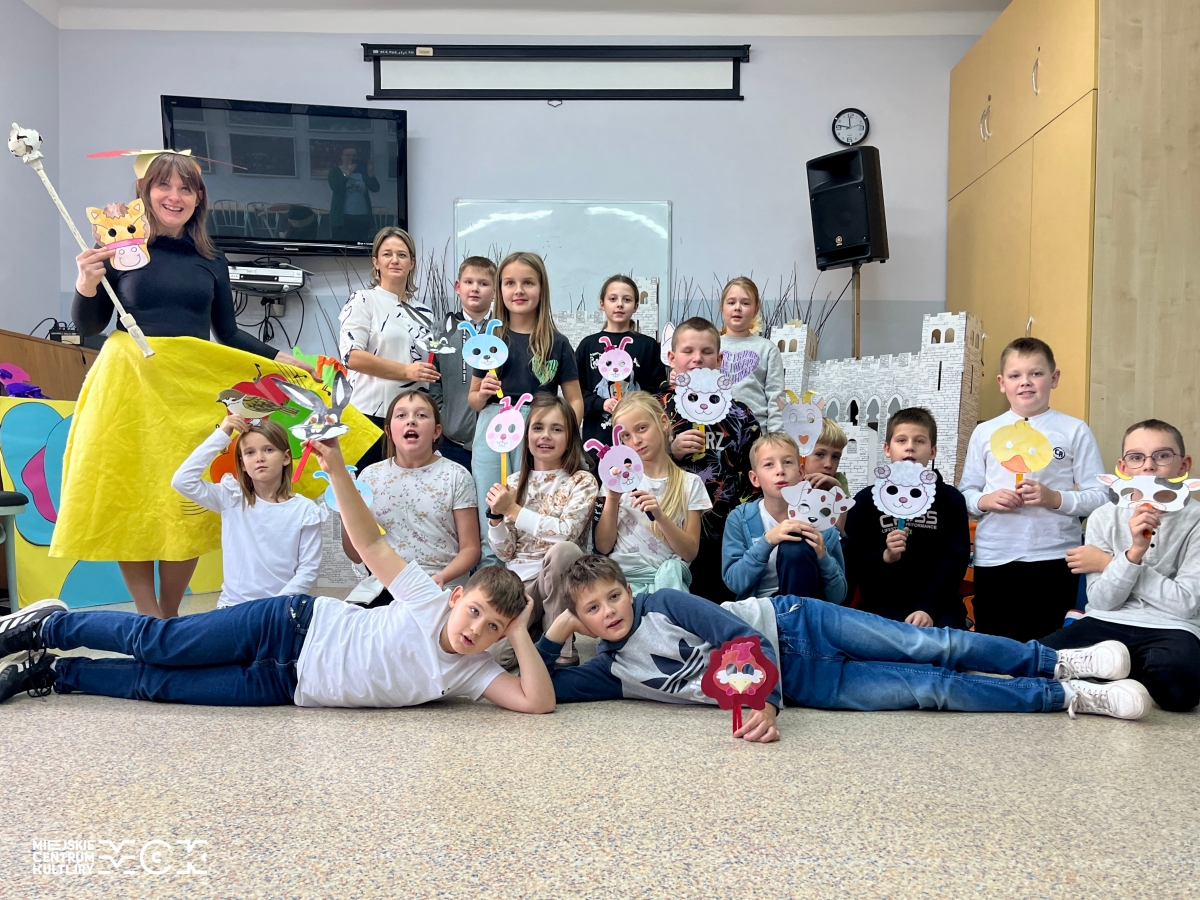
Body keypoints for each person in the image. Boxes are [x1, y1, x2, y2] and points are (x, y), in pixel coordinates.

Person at [0, 437, 555, 715]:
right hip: (288, 625)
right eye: (475, 612)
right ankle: (46, 628)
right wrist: (336, 470)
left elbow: (537, 703)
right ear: (455, 597)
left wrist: (518, 632)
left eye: (491, 627)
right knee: (160, 642)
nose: (475, 630)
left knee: (158, 685)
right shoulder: (424, 599)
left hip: (283, 686)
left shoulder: (473, 672)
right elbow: (370, 543)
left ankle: (53, 674)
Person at [54, 151, 315, 619]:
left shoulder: (211, 259)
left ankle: (170, 617)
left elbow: (227, 332)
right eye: (164, 186)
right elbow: (91, 325)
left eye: (186, 188)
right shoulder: (121, 245)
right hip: (129, 389)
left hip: (186, 392)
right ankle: (149, 618)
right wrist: (86, 283)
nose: (174, 197)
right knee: (133, 496)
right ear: (145, 192)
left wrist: (280, 358)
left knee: (184, 502)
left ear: (198, 199)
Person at [531, 555, 1153, 744]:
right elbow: (544, 690)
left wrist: (763, 702)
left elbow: (742, 640)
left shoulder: (663, 603)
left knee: (929, 644)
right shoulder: (611, 673)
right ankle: (1065, 696)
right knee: (928, 690)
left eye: (614, 596)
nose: (609, 612)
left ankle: (1053, 660)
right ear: (580, 620)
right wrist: (552, 632)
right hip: (810, 686)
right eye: (592, 610)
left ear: (628, 590)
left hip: (797, 627)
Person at [1042, 419, 1200, 712]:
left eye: (1162, 455)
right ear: (1123, 467)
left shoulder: (1196, 519)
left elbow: (1186, 604)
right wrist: (1133, 554)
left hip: (1171, 627)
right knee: (1038, 662)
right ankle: (1116, 681)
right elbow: (1103, 601)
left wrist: (1109, 563)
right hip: (1105, 619)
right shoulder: (1103, 516)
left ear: (1184, 464)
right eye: (1137, 457)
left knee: (1179, 691)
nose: (1148, 466)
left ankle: (1106, 678)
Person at [959, 337, 1108, 641]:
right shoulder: (985, 432)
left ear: (1054, 378)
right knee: (995, 644)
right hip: (995, 556)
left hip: (1054, 556)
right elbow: (965, 494)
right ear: (1002, 383)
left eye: (1036, 373)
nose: (1025, 382)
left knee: (1049, 645)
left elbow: (1101, 496)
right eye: (1015, 375)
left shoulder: (1074, 430)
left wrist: (1055, 498)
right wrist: (987, 500)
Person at [468, 252, 583, 565]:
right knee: (491, 500)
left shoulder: (557, 342)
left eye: (528, 283)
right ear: (500, 290)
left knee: (531, 501)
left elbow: (575, 400)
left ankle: (530, 570)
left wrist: (564, 431)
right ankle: (492, 574)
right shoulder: (490, 340)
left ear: (542, 288)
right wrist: (483, 392)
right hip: (493, 426)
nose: (518, 290)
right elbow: (473, 400)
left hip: (537, 426)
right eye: (510, 283)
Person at [486, 395, 598, 668]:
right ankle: (538, 627)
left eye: (556, 429)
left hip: (559, 579)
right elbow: (506, 552)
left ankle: (561, 646)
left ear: (570, 437)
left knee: (564, 551)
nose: (545, 436)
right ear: (526, 436)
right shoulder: (514, 482)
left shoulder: (581, 480)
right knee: (496, 657)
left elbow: (567, 533)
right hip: (520, 584)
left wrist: (513, 510)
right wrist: (496, 519)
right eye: (538, 428)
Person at [656, 317, 761, 603]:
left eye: (706, 352)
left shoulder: (739, 413)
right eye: (688, 351)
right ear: (671, 357)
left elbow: (754, 471)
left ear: (720, 359)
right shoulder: (654, 408)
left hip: (723, 531)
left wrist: (744, 522)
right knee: (673, 606)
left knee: (719, 608)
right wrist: (670, 452)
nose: (697, 359)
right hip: (667, 529)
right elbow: (634, 463)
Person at [171, 415, 326, 608]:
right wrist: (222, 435)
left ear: (286, 457)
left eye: (268, 450)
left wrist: (273, 607)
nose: (260, 458)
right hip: (232, 608)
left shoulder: (305, 510)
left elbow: (308, 570)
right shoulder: (232, 498)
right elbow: (182, 481)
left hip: (279, 610)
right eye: (250, 452)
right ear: (243, 464)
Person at [343, 390, 479, 607]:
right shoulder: (369, 476)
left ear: (436, 431)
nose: (411, 421)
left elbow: (471, 549)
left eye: (421, 415)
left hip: (440, 587)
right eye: (401, 415)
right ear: (388, 431)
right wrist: (347, 510)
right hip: (384, 584)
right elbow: (356, 554)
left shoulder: (457, 475)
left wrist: (442, 577)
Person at [843, 407, 970, 628]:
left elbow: (954, 560)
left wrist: (927, 608)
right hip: (881, 604)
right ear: (887, 449)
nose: (910, 446)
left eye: (919, 441)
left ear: (932, 451)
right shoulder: (866, 500)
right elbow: (853, 558)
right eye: (901, 440)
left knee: (949, 643)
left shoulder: (950, 500)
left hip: (938, 605)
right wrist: (885, 556)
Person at [339, 226, 438, 467]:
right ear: (376, 262)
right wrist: (406, 371)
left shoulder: (425, 312)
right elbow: (352, 356)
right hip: (368, 417)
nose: (395, 260)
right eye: (387, 254)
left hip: (412, 422)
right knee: (365, 486)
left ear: (412, 263)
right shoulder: (363, 300)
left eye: (402, 255)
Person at [594, 391, 710, 594]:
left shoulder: (690, 483)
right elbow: (603, 546)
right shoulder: (618, 480)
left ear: (663, 422)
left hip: (667, 586)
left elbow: (689, 552)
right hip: (622, 584)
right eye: (626, 436)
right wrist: (612, 498)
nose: (636, 440)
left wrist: (660, 516)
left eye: (642, 428)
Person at [722, 433, 846, 603]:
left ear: (801, 472)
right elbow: (734, 583)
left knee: (795, 549)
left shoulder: (821, 522)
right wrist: (767, 541)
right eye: (769, 464)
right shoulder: (740, 518)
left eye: (787, 462)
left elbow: (839, 596)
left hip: (806, 609)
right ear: (755, 478)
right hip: (759, 609)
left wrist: (822, 556)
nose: (780, 471)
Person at [576, 275, 666, 460]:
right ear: (602, 304)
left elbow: (657, 392)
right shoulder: (588, 345)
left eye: (627, 299)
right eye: (613, 299)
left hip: (638, 440)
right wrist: (601, 403)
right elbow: (576, 393)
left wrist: (635, 405)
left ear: (636, 306)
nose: (619, 304)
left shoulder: (647, 346)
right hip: (598, 439)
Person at [429, 256, 496, 471]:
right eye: (469, 282)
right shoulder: (441, 331)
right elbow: (434, 382)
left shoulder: (503, 330)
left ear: (495, 290)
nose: (475, 288)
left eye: (483, 283)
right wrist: (444, 417)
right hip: (453, 440)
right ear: (458, 287)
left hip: (497, 439)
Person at [719, 277, 785, 434]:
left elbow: (776, 398)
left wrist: (776, 438)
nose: (737, 308)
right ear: (722, 307)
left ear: (756, 310)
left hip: (756, 432)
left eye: (745, 303)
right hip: (717, 431)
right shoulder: (710, 347)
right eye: (731, 302)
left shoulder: (768, 349)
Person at [327, 147, 380, 242]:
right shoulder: (335, 171)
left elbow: (375, 188)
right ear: (342, 156)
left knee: (360, 245)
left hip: (362, 216)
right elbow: (335, 187)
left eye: (354, 155)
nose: (351, 157)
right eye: (348, 155)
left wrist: (370, 173)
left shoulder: (363, 172)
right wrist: (347, 174)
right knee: (342, 245)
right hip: (342, 217)